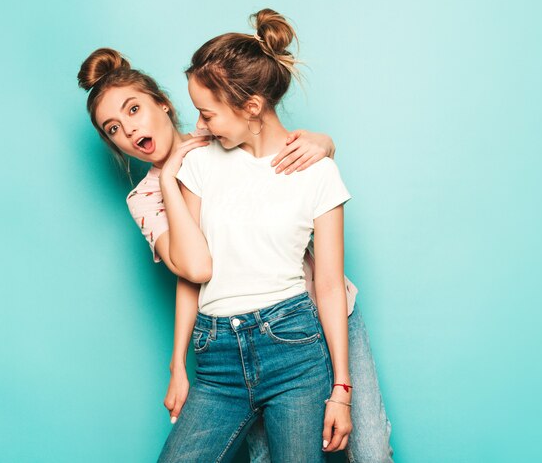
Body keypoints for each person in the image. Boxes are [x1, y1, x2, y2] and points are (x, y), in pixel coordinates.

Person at [78, 24, 391, 463]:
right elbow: (193, 273)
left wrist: (325, 146)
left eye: (133, 110)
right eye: (112, 128)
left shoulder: (225, 140)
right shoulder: (162, 187)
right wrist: (178, 364)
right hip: (227, 334)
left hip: (310, 314)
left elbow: (326, 277)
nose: (127, 131)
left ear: (164, 105)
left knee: (371, 450)